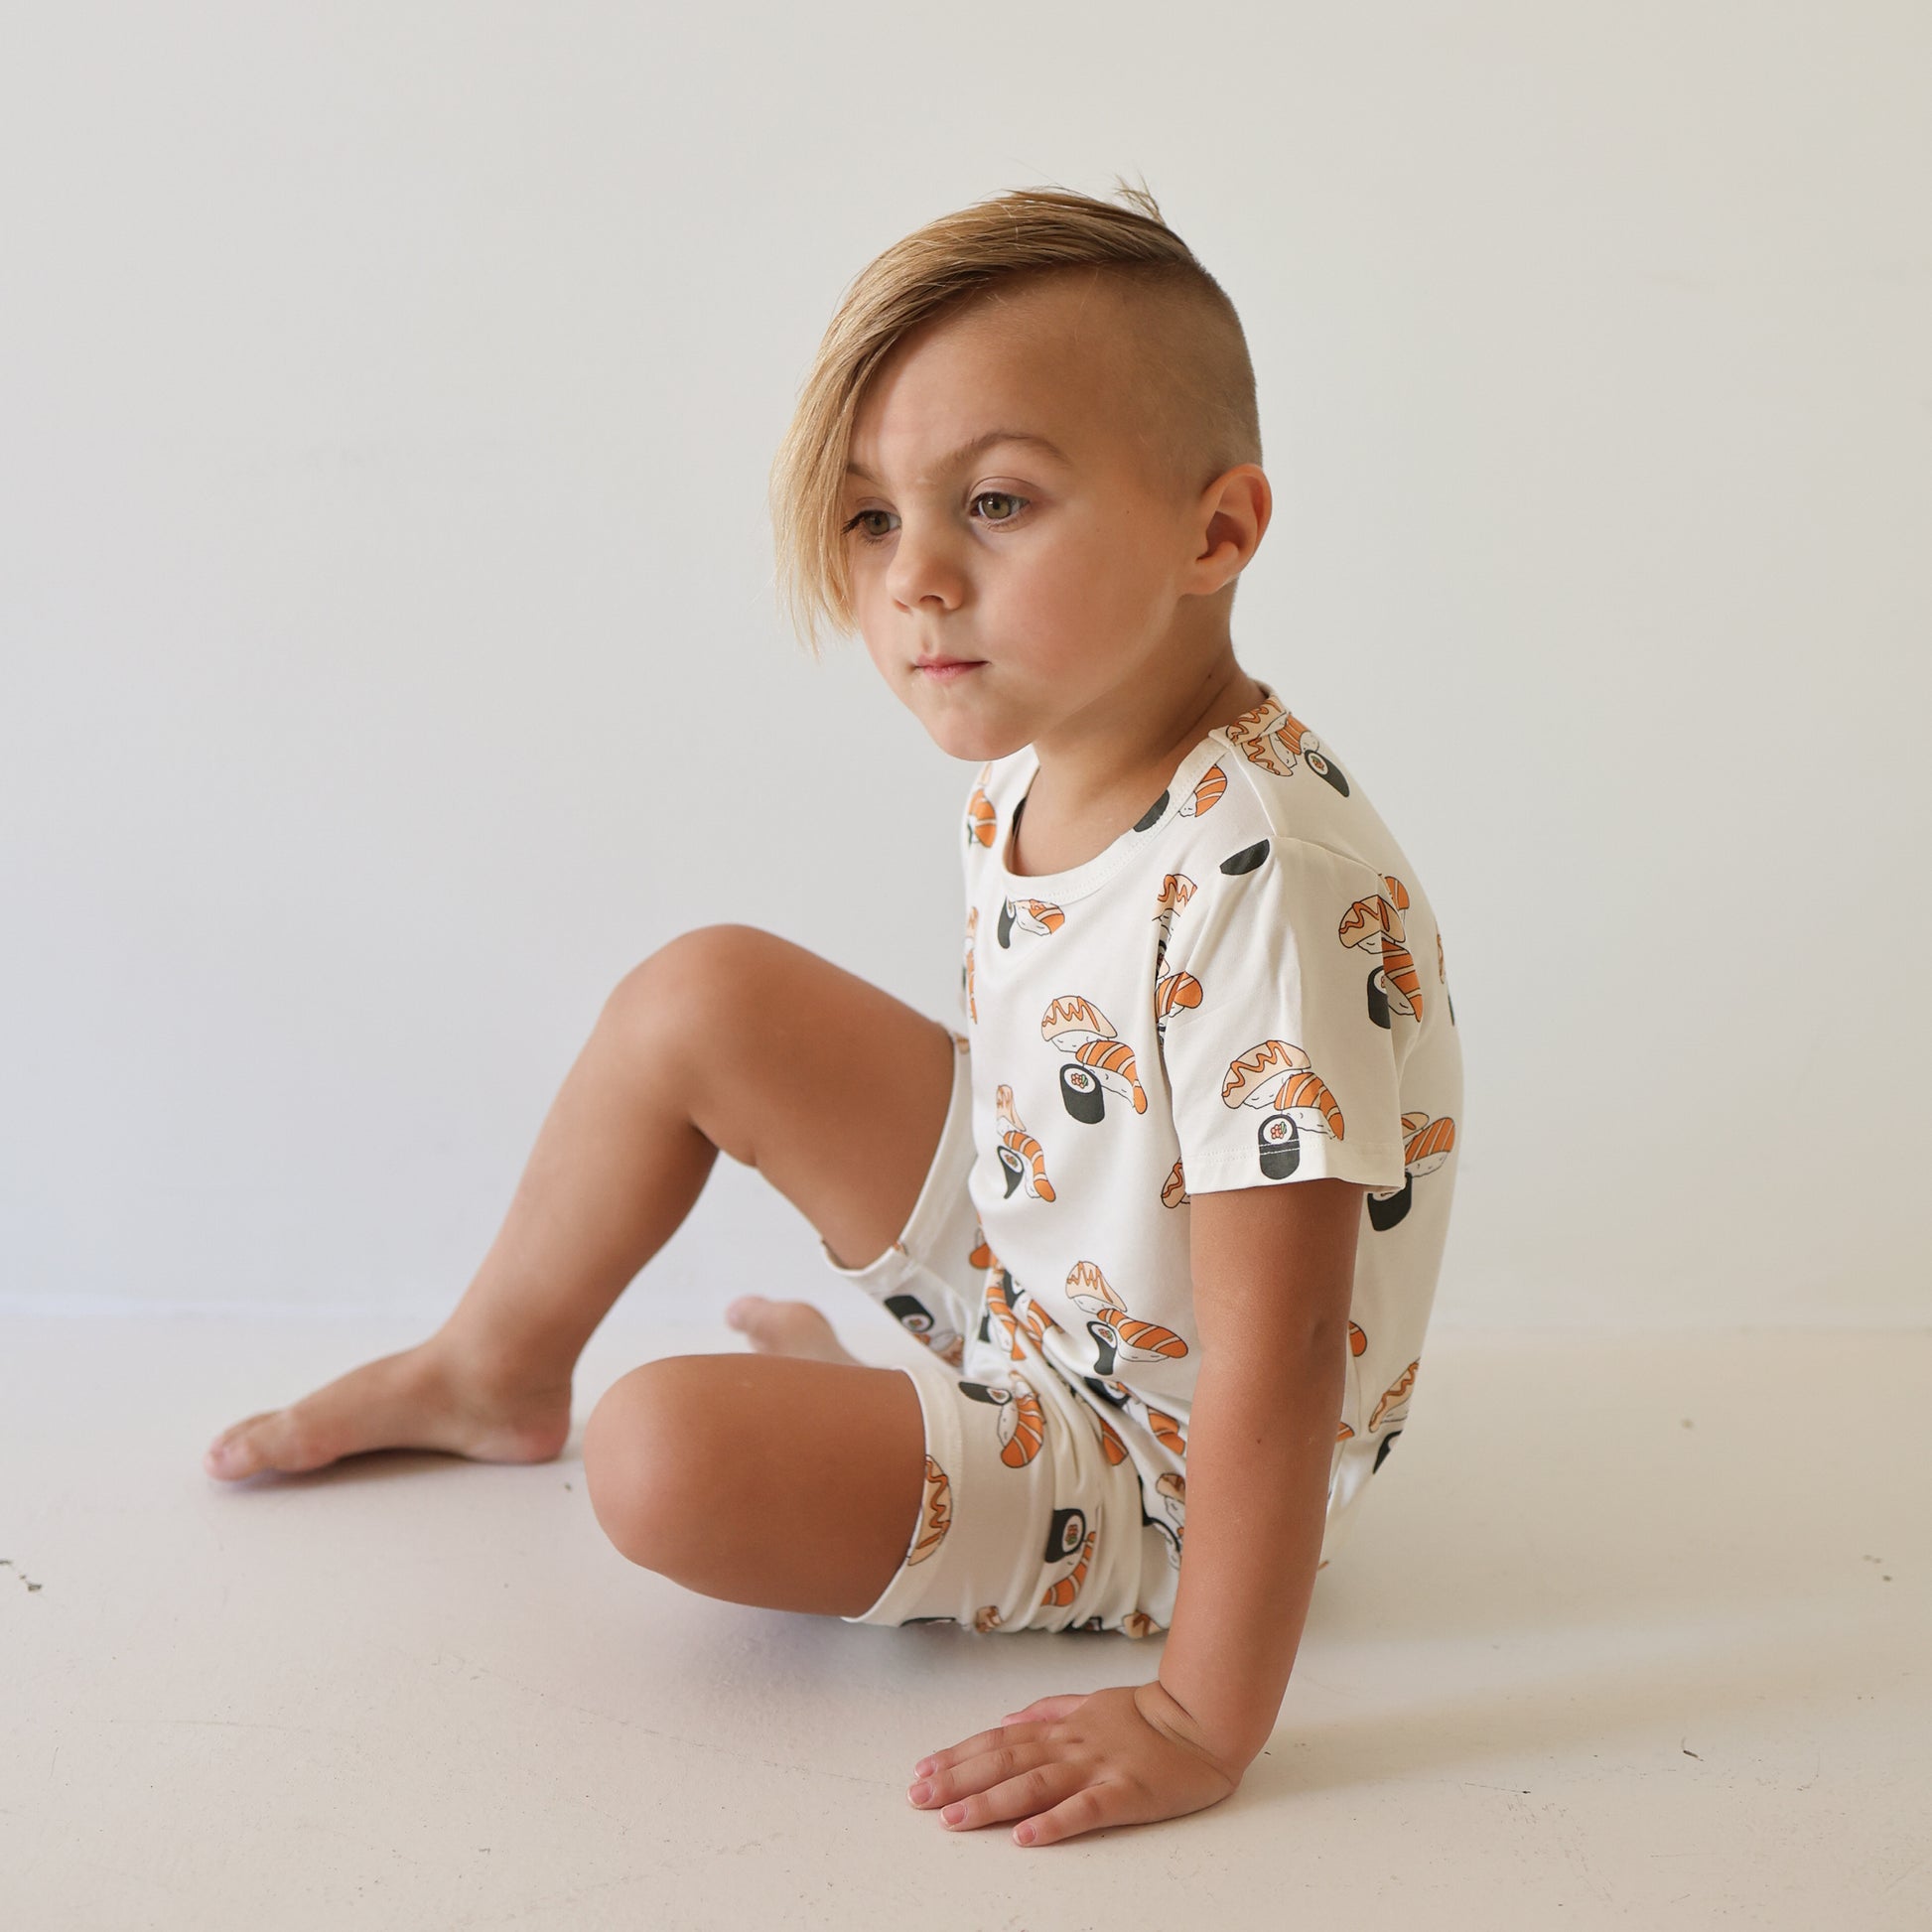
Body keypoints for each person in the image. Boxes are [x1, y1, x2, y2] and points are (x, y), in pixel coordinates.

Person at [202, 179, 1463, 1849]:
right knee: (702, 992)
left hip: (1159, 1468)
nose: (913, 577)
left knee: (659, 1454)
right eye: (871, 517)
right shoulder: (1038, 761)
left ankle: (938, 1457)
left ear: (1213, 532)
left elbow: (1281, 1346)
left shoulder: (1265, 880)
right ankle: (492, 1367)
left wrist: (1197, 1712)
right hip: (1047, 1281)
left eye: (995, 501)